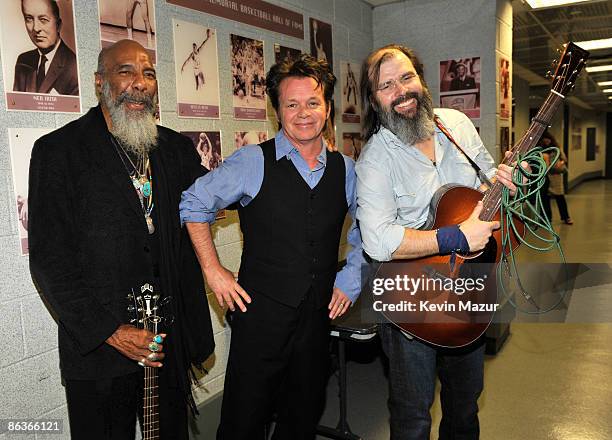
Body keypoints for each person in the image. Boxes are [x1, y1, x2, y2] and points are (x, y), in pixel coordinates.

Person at [28, 39, 214, 439]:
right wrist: (111, 331)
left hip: (167, 342)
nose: (140, 82)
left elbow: (215, 197)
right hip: (99, 349)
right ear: (100, 82)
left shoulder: (175, 149)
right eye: (125, 71)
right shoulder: (58, 152)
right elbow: (49, 260)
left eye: (148, 73)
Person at [180, 54, 365, 440]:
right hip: (260, 316)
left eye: (312, 103)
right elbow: (193, 203)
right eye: (291, 104)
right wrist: (213, 271)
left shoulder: (345, 169)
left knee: (304, 412)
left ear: (328, 108)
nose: (303, 113)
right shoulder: (252, 161)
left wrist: (350, 278)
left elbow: (365, 227)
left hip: (316, 317)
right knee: (245, 417)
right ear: (277, 111)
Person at [355, 44, 522, 439]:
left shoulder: (457, 125)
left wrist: (505, 184)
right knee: (413, 416)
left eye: (407, 77)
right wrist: (454, 236)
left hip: (466, 290)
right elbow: (378, 242)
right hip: (410, 301)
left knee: (465, 403)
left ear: (422, 79)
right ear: (375, 100)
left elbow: (484, 186)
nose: (401, 90)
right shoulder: (375, 159)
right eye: (387, 85)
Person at [13, 0, 79, 95]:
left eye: (43, 19)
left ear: (58, 25)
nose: (36, 28)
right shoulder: (23, 61)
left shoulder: (75, 69)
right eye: (29, 19)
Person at [539, 131, 573, 225]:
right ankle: (547, 219)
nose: (546, 141)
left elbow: (564, 159)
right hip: (545, 176)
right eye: (544, 139)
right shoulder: (541, 149)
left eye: (548, 138)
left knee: (560, 197)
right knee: (545, 198)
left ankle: (566, 217)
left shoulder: (556, 148)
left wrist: (560, 164)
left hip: (556, 176)